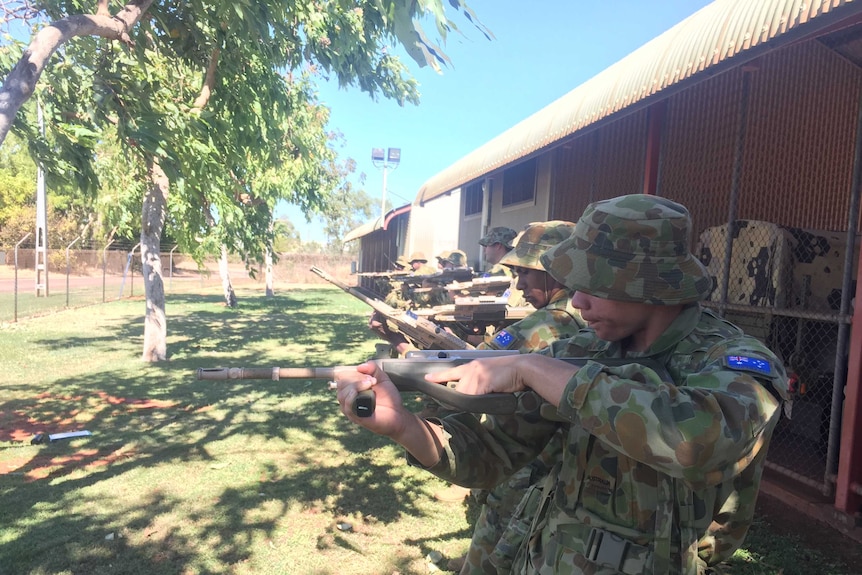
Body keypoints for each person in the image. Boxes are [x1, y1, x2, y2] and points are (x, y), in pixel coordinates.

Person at [335, 194, 788, 575]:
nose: (577, 300)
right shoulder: (584, 351)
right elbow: (490, 453)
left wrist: (534, 370)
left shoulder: (730, 360)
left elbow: (701, 441)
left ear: (650, 285)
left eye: (594, 284)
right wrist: (405, 428)